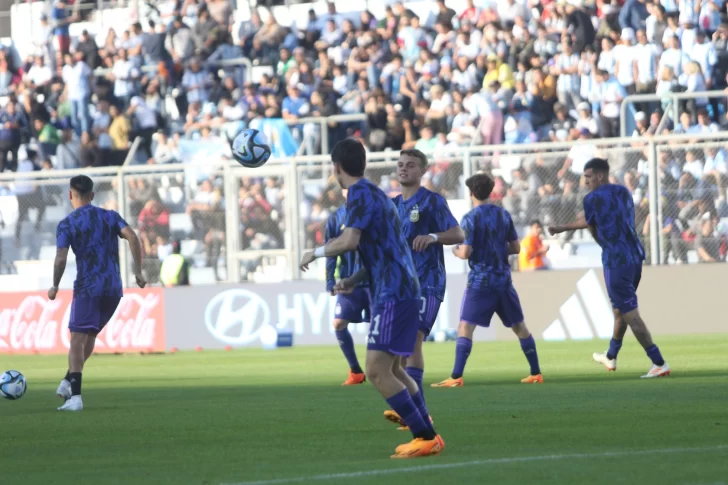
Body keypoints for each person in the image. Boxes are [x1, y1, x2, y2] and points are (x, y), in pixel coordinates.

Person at [299, 138, 444, 459]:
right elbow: (381, 247)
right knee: (395, 369)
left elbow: (349, 240)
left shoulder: (360, 194)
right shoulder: (376, 192)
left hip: (393, 291)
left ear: (336, 167)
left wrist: (316, 252)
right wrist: (353, 280)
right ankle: (427, 428)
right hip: (400, 286)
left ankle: (425, 436)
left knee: (377, 371)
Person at [548, 158, 670, 378]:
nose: (585, 181)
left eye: (587, 176)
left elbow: (591, 226)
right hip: (635, 255)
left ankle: (659, 362)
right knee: (620, 309)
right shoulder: (623, 191)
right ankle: (611, 356)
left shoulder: (592, 198)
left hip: (616, 260)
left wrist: (561, 228)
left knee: (631, 314)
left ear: (599, 176)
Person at [432, 173, 543, 387]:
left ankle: (456, 376)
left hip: (481, 281)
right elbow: (516, 248)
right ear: (490, 192)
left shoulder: (470, 218)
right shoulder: (503, 215)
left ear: (471, 193)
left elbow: (465, 253)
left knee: (465, 327)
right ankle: (536, 372)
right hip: (503, 280)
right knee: (520, 327)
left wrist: (455, 250)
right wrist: (497, 249)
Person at [49, 175, 146, 412]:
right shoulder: (109, 215)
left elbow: (61, 258)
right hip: (113, 288)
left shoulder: (67, 224)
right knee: (88, 337)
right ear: (92, 196)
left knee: (76, 340)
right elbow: (132, 236)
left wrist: (54, 285)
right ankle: (67, 381)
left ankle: (75, 398)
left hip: (88, 287)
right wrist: (138, 271)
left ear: (70, 194)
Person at [384, 149, 464, 431]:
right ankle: (412, 411)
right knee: (400, 350)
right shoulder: (392, 206)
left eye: (410, 165)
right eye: (400, 165)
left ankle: (419, 413)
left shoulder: (432, 201)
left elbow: (458, 233)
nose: (404, 169)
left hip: (428, 281)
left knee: (414, 339)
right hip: (401, 285)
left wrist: (432, 237)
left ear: (422, 171)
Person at [325, 189, 371, 386]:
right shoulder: (336, 218)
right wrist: (329, 280)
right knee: (338, 323)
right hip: (347, 282)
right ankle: (356, 371)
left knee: (381, 328)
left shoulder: (372, 215)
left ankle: (389, 371)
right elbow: (330, 250)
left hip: (374, 282)